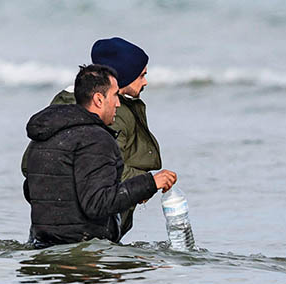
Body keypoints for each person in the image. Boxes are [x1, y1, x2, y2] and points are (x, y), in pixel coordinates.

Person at [23, 64, 177, 248]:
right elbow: (98, 204)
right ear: (98, 99)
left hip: (40, 246)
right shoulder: (96, 138)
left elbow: (30, 190)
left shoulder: (45, 135)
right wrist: (149, 184)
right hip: (83, 252)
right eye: (115, 95)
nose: (118, 103)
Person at [44, 37, 162, 235]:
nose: (145, 82)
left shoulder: (61, 106)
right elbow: (109, 167)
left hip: (51, 225)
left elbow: (32, 165)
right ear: (123, 76)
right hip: (93, 228)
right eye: (141, 75)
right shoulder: (113, 114)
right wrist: (147, 183)